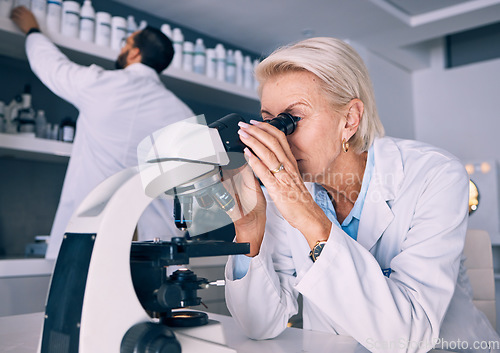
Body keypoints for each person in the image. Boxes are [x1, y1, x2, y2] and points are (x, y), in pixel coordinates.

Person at [224, 37, 500, 352]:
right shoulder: (284, 194)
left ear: (350, 119)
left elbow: (407, 337)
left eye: (291, 120)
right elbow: (260, 325)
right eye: (270, 122)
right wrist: (249, 230)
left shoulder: (434, 175)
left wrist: (307, 215)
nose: (277, 138)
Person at [10, 7, 194, 259]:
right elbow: (196, 197)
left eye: (125, 43)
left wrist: (33, 31)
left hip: (93, 242)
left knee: (85, 297)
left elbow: (52, 66)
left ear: (134, 52)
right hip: (158, 248)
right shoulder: (184, 115)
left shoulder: (99, 84)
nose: (121, 49)